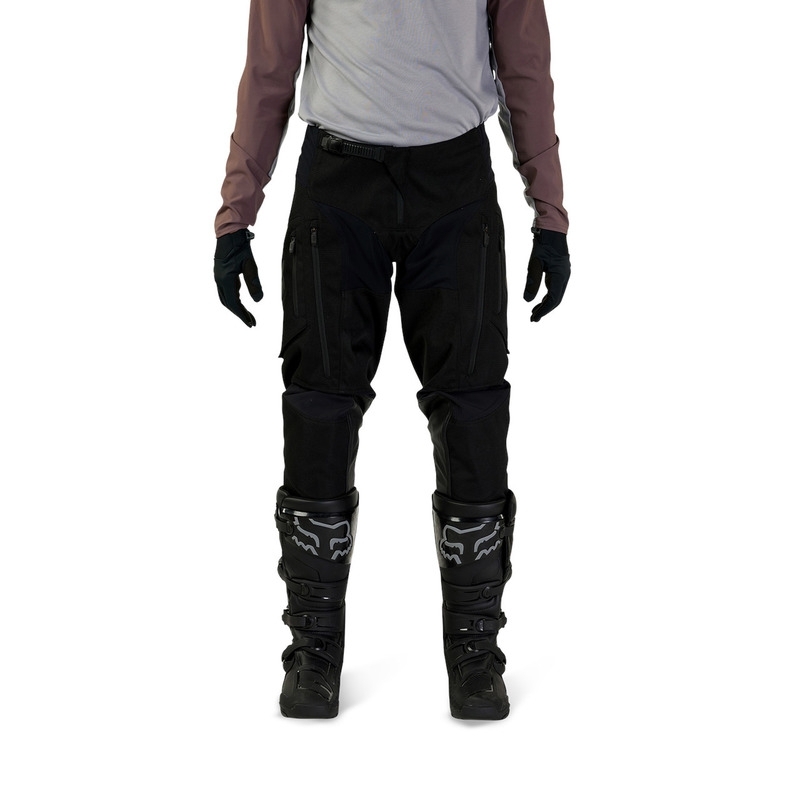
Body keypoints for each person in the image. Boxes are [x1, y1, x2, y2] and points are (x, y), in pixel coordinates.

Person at [213, 0, 571, 721]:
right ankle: (313, 652)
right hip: (337, 186)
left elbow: (524, 63)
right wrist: (236, 214)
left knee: (473, 411)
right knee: (318, 408)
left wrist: (550, 211)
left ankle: (475, 654)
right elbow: (270, 66)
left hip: (455, 186)